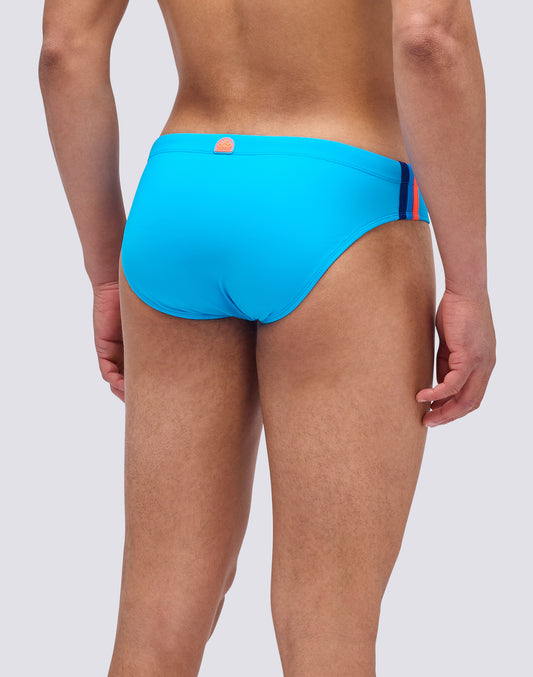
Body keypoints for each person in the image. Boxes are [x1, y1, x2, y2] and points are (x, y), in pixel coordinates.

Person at [38, 0, 496, 674]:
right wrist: (468, 285)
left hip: (180, 192)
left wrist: (107, 271)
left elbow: (64, 50)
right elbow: (430, 36)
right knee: (328, 627)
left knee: (155, 622)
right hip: (342, 197)